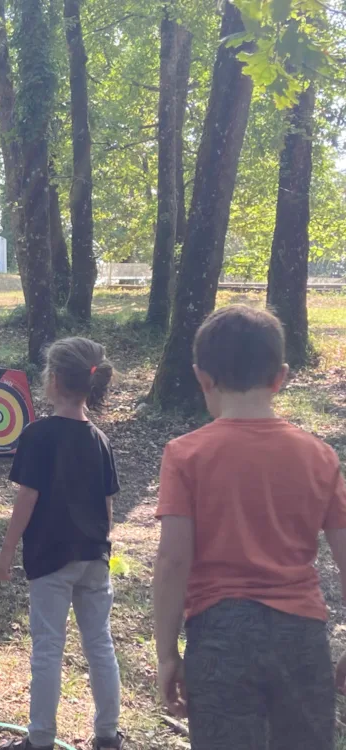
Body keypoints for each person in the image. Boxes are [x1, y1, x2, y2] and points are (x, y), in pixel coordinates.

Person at [153, 305, 346, 750]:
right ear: (280, 377)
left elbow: (173, 559)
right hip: (302, 634)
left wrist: (167, 653)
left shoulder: (186, 455)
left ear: (203, 377)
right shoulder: (320, 456)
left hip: (220, 637)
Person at [0, 337, 124, 750]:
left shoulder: (38, 435)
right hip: (93, 558)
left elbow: (27, 498)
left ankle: (41, 740)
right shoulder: (99, 439)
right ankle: (107, 735)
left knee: (48, 649)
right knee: (99, 643)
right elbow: (107, 506)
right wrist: (104, 549)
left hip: (51, 557)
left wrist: (8, 549)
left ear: (52, 380)